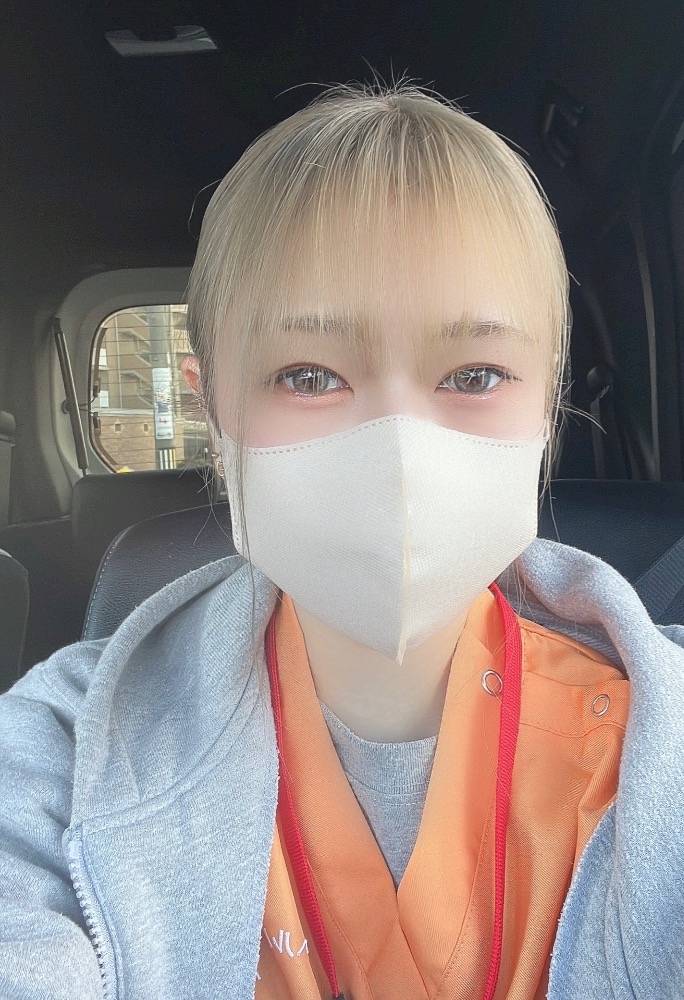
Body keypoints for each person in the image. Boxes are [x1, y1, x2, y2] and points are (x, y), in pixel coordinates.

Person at [0, 82, 682, 1000]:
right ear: (212, 413)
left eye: (475, 374)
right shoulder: (64, 746)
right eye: (309, 375)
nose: (398, 449)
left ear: (550, 406)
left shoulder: (660, 734)